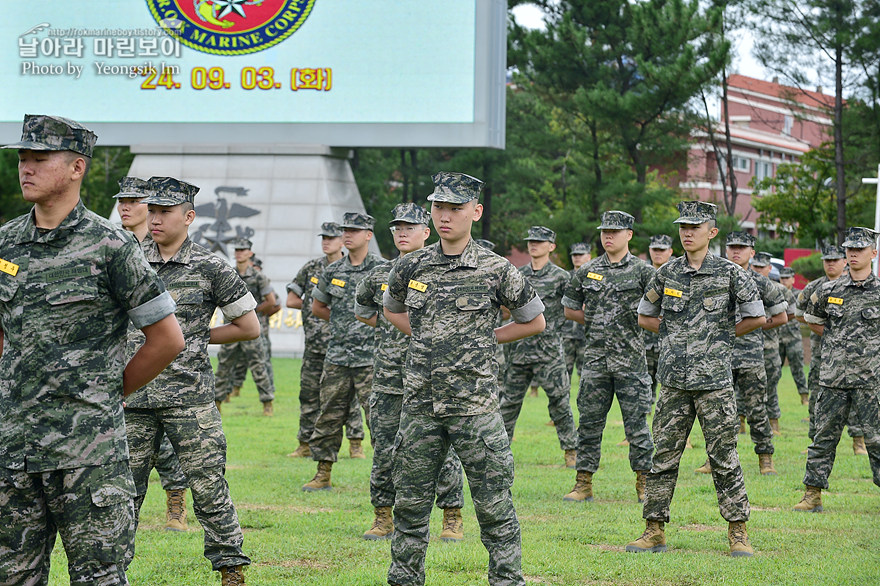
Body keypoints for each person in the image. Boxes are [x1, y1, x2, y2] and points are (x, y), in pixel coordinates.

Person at [0, 114, 183, 585]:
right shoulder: (6, 243)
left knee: (99, 578)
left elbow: (166, 339)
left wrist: (107, 391)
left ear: (77, 167)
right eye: (22, 159)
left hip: (89, 453)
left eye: (40, 158)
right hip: (14, 451)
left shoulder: (111, 246)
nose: (26, 168)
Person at [383, 171, 545, 586]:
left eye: (455, 208)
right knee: (410, 506)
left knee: (494, 506)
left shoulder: (498, 269)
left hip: (475, 407)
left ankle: (507, 580)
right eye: (438, 207)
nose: (445, 216)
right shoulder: (412, 265)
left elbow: (533, 321)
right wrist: (424, 338)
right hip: (420, 406)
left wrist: (487, 339)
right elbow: (392, 309)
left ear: (475, 211)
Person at [124, 176, 261, 585]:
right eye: (152, 210)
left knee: (208, 484)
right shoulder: (127, 259)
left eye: (166, 211)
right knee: (120, 494)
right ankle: (109, 572)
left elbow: (249, 326)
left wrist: (194, 338)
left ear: (189, 217)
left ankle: (231, 569)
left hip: (189, 398)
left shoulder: (210, 265)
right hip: (132, 397)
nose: (156, 218)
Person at [627, 201, 765, 557]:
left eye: (695, 227)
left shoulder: (730, 273)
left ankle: (738, 532)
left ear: (712, 232)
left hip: (715, 381)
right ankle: (654, 529)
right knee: (663, 457)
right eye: (683, 227)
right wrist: (674, 335)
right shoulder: (666, 273)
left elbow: (756, 316)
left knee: (724, 457)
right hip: (673, 381)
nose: (687, 233)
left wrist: (722, 337)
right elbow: (645, 315)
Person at [355, 202, 465, 542]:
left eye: (410, 227)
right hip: (388, 378)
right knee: (385, 448)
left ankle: (452, 518)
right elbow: (364, 313)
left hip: (433, 378)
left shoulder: (441, 272)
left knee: (441, 449)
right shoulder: (377, 276)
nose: (403, 233)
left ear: (426, 232)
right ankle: (382, 517)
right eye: (397, 228)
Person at [114, 176, 191, 532]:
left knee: (172, 445)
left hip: (165, 359)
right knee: (132, 448)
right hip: (124, 358)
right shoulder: (115, 246)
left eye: (134, 200)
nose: (125, 207)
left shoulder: (164, 249)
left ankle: (176, 502)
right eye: (122, 201)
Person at [561, 211, 654, 503]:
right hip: (596, 363)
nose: (608, 236)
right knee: (589, 424)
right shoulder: (586, 271)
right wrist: (597, 321)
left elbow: (659, 309)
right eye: (604, 231)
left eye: (614, 231)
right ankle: (583, 483)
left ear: (629, 234)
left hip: (631, 363)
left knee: (637, 426)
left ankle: (644, 483)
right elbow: (570, 308)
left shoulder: (644, 272)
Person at [796, 227, 880, 511]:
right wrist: (835, 342)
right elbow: (813, 321)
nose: (853, 253)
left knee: (877, 438)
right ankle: (812, 494)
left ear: (873, 253)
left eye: (860, 249)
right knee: (823, 436)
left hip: (870, 380)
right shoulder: (829, 290)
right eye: (850, 249)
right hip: (832, 378)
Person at [302, 212, 385, 491]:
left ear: (368, 235)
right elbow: (318, 307)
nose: (348, 235)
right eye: (345, 230)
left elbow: (391, 311)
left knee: (379, 419)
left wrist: (370, 326)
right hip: (337, 356)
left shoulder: (382, 269)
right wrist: (341, 323)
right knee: (329, 415)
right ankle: (322, 472)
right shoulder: (332, 271)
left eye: (355, 230)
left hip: (371, 358)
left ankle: (387, 474)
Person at [695, 233, 786, 476]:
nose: (736, 252)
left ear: (752, 252)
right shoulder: (715, 278)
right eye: (732, 247)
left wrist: (754, 325)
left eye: (742, 248)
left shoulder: (762, 282)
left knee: (757, 410)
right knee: (718, 412)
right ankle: (713, 459)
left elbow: (781, 316)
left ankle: (765, 458)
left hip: (751, 358)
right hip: (720, 357)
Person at [286, 222, 366, 459]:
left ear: (342, 241)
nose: (326, 242)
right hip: (314, 344)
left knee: (347, 397)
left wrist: (339, 315)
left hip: (344, 344)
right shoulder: (312, 267)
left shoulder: (352, 268)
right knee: (309, 394)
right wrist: (312, 307)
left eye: (331, 238)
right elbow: (291, 298)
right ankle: (305, 443)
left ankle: (355, 443)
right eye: (324, 238)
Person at [500, 226, 578, 468]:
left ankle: (571, 452)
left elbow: (571, 307)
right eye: (531, 241)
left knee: (560, 401)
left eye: (540, 242)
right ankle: (499, 452)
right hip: (518, 350)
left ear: (551, 246)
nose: (534, 245)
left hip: (549, 352)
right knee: (508, 404)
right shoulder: (516, 274)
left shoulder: (561, 277)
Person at [795, 245, 867, 454]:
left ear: (844, 262)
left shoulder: (856, 287)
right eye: (827, 260)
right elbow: (801, 314)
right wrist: (828, 331)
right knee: (818, 398)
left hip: (855, 355)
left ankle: (858, 441)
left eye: (835, 260)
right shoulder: (814, 288)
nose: (831, 264)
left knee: (857, 398)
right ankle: (814, 443)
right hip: (823, 355)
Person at [214, 237, 277, 415]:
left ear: (250, 253)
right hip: (230, 329)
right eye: (237, 250)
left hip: (251, 331)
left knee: (258, 365)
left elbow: (271, 301)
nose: (239, 253)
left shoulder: (258, 277)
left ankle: (267, 403)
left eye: (243, 250)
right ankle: (217, 401)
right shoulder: (229, 274)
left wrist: (250, 314)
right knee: (224, 366)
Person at [750, 251, 790, 436]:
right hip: (746, 348)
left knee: (771, 388)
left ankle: (774, 424)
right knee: (741, 392)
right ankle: (741, 424)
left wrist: (761, 324)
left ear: (769, 268)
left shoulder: (778, 289)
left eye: (761, 267)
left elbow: (788, 315)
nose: (757, 270)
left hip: (769, 347)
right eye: (755, 266)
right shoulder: (745, 286)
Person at [645, 235, 674, 401]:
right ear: (649, 250)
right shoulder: (642, 273)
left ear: (670, 251)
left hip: (669, 339)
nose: (658, 253)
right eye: (655, 250)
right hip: (645, 337)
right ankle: (646, 408)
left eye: (662, 250)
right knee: (645, 379)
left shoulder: (676, 274)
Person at [777, 266, 809, 405]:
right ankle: (770, 398)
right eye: (782, 278)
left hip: (793, 337)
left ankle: (804, 396)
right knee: (773, 370)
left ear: (793, 279)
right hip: (777, 338)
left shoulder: (799, 295)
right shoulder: (775, 293)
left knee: (798, 369)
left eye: (787, 278)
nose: (784, 281)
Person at [560, 242, 590, 381]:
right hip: (566, 332)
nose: (577, 258)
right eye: (574, 255)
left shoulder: (593, 277)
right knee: (564, 369)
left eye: (580, 255)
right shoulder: (565, 277)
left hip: (585, 332)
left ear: (589, 256)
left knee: (586, 371)